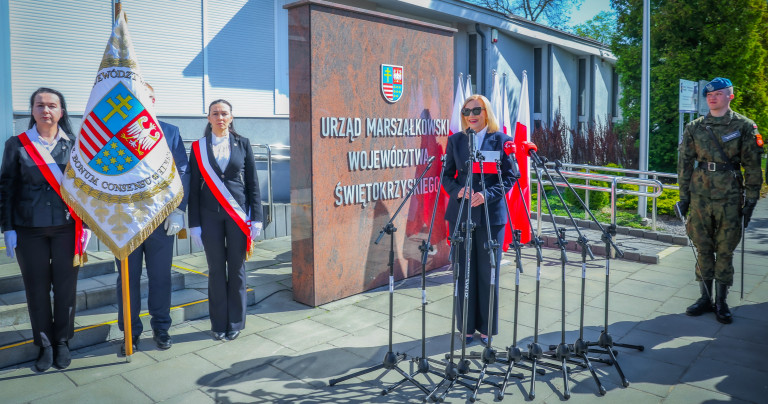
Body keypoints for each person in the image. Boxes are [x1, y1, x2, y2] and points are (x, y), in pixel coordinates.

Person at [0, 88, 91, 371]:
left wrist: (86, 224)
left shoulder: (76, 145)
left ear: (62, 112)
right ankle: (45, 345)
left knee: (65, 288)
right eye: (40, 105)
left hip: (67, 229)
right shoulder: (17, 144)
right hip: (29, 230)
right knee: (36, 290)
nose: (46, 110)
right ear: (32, 110)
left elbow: (86, 189)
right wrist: (8, 228)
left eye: (52, 105)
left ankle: (62, 341)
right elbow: (6, 188)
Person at [678, 77, 763, 324]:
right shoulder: (695, 127)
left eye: (718, 94)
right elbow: (684, 164)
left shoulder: (745, 126)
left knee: (725, 251)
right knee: (703, 248)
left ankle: (722, 301)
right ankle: (704, 298)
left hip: (729, 198)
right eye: (709, 95)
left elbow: (753, 167)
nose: (712, 98)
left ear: (730, 96)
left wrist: (751, 200)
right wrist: (683, 197)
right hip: (700, 198)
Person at [115, 83, 189, 354]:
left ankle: (161, 327)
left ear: (153, 100)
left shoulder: (170, 132)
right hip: (125, 220)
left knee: (160, 277)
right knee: (127, 278)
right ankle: (130, 333)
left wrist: (179, 209)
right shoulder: (114, 132)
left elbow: (182, 170)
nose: (139, 101)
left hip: (160, 218)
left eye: (144, 97)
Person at [441, 94, 515, 345]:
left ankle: (486, 328)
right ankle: (467, 327)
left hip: (490, 216)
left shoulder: (502, 140)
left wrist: (486, 195)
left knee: (487, 272)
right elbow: (446, 176)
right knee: (463, 271)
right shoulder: (455, 140)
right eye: (466, 111)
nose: (470, 115)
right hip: (461, 214)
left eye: (476, 109)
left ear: (486, 112)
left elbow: (510, 177)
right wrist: (457, 191)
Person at [188, 99, 262, 341]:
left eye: (224, 113)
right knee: (216, 270)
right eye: (215, 113)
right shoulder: (198, 147)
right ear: (208, 118)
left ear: (231, 117)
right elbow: (193, 189)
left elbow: (252, 183)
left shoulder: (243, 144)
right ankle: (219, 323)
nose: (220, 117)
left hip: (237, 216)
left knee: (238, 270)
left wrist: (257, 218)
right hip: (209, 218)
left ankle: (235, 322)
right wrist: (194, 223)